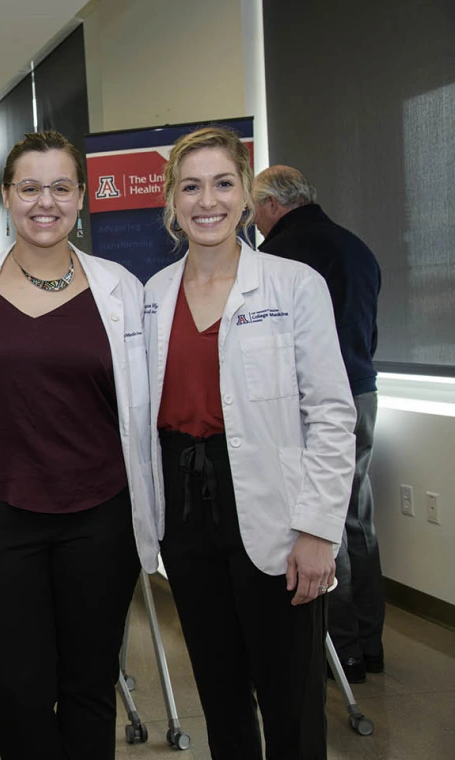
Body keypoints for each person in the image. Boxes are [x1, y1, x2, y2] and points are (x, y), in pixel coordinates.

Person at [0, 130, 159, 759]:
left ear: (82, 197)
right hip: (0, 515)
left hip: (100, 516)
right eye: (30, 187)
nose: (46, 202)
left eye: (61, 187)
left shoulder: (120, 287)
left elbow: (140, 406)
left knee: (89, 685)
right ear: (7, 197)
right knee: (16, 691)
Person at [144, 127, 356, 759]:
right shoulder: (151, 297)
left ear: (245, 197)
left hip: (275, 509)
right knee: (220, 691)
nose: (207, 200)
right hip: (185, 511)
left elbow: (332, 414)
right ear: (172, 202)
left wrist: (318, 531)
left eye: (223, 184)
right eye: (191, 187)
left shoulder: (294, 286)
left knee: (290, 698)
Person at [252, 165, 383, 683]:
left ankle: (344, 650)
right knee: (357, 520)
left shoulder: (277, 260)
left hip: (316, 405)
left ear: (269, 206)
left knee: (320, 521)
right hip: (364, 394)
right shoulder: (357, 247)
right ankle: (370, 644)